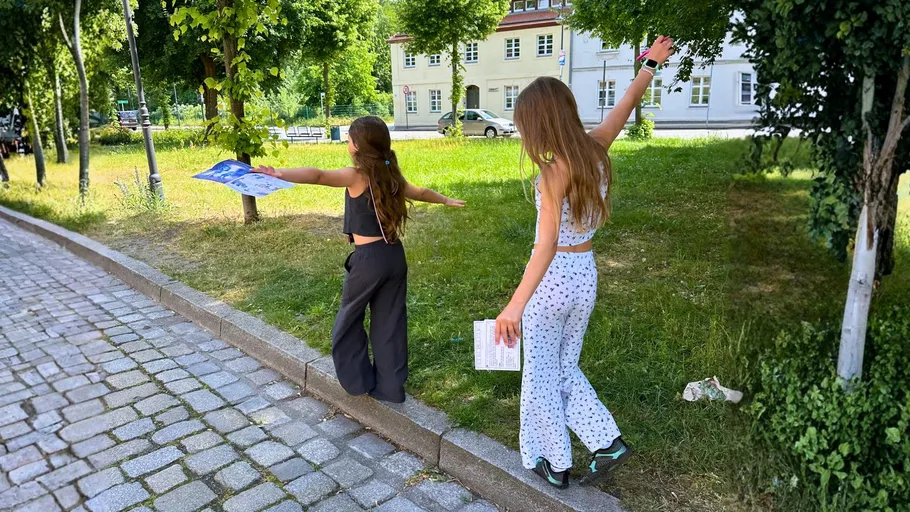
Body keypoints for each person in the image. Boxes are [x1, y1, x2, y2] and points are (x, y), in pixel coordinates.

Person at [494, 36, 675, 488]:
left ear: (538, 125)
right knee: (564, 369)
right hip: (585, 277)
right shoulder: (597, 146)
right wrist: (651, 64)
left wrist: (514, 305)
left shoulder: (552, 173)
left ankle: (555, 463)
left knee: (539, 379)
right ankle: (606, 440)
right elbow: (628, 101)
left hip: (552, 282)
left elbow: (544, 247)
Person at [254, 116, 465, 403]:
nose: (346, 142)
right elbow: (421, 192)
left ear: (357, 146)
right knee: (389, 323)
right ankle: (390, 388)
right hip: (394, 256)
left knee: (348, 321)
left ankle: (359, 380)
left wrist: (279, 173)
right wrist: (445, 200)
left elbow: (318, 175)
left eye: (349, 138)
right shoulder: (390, 175)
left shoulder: (356, 175)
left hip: (369, 261)